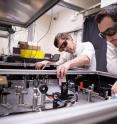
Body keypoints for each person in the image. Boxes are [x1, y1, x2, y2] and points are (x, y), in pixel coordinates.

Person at [95, 3, 117, 94]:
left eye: (110, 31)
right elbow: (111, 68)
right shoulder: (110, 41)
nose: (108, 39)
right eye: (103, 35)